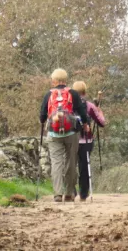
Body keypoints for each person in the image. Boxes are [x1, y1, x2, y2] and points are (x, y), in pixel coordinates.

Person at [40, 68, 90, 202]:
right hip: (71, 133)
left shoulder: (48, 95)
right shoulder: (73, 93)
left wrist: (45, 121)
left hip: (53, 134)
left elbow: (42, 116)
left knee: (56, 163)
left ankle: (57, 194)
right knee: (71, 162)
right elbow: (83, 114)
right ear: (65, 80)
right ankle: (69, 193)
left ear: (54, 81)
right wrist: (85, 124)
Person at [72, 81, 106, 201]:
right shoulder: (89, 106)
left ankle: (71, 192)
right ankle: (83, 194)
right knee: (84, 167)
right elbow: (101, 123)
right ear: (85, 92)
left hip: (70, 139)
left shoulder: (68, 105)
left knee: (70, 166)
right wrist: (100, 111)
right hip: (86, 140)